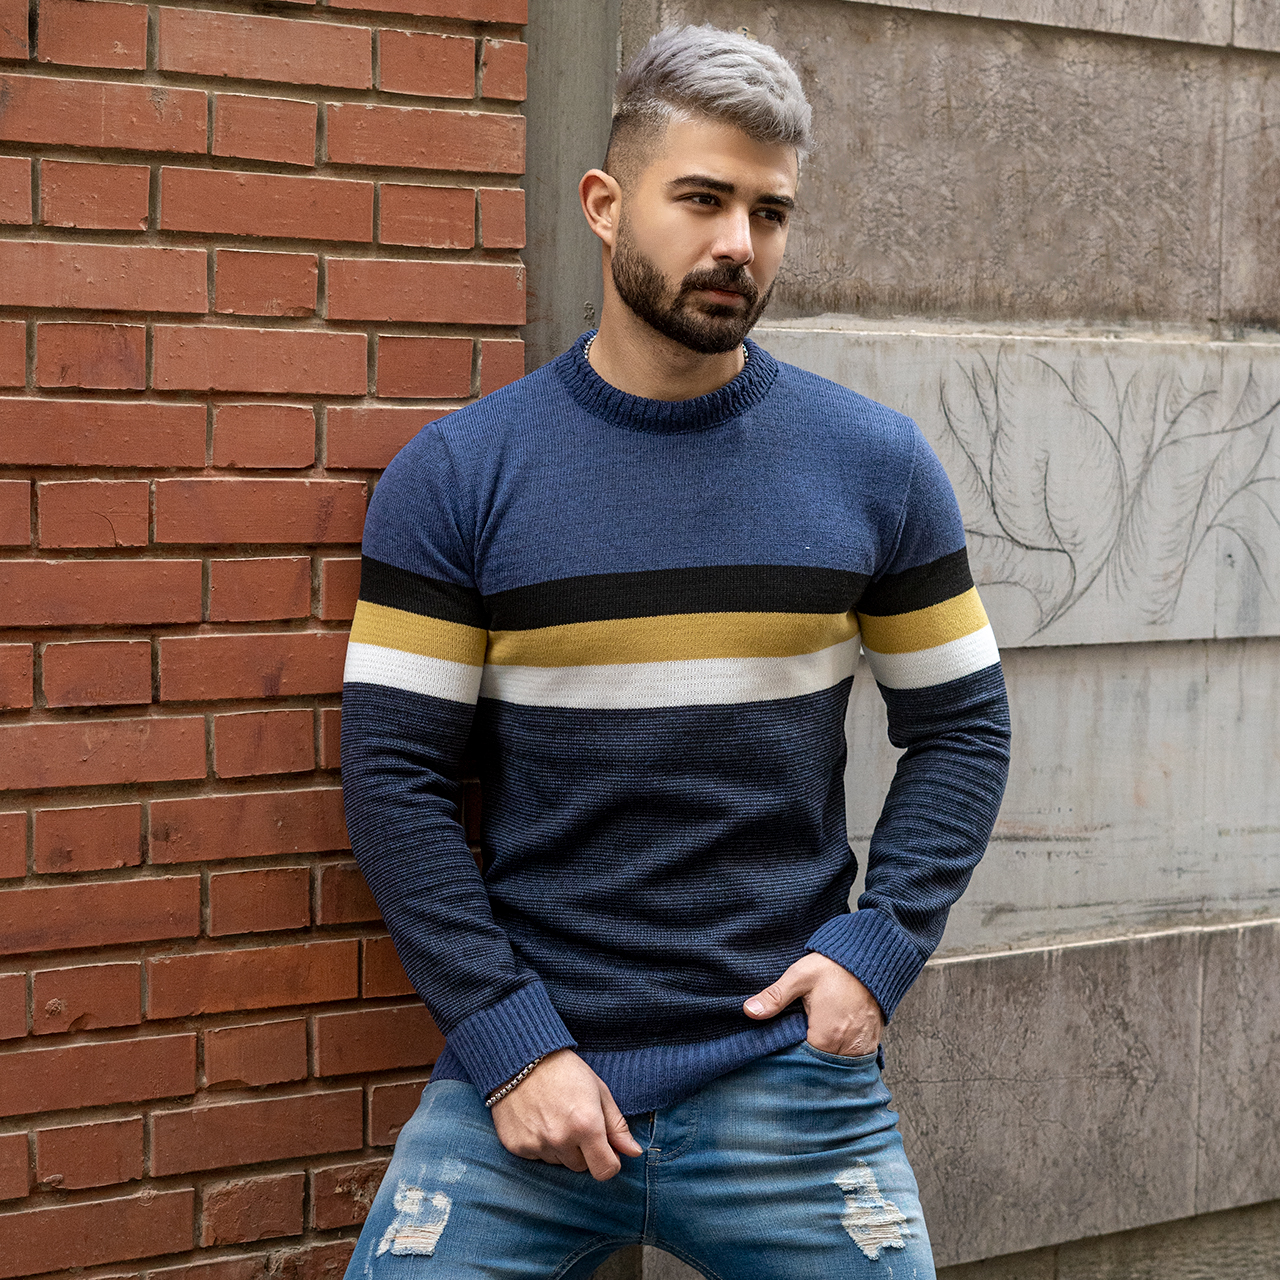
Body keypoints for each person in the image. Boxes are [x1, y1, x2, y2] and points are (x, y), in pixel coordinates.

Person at [340, 24, 1010, 1279]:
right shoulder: (458, 475)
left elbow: (961, 725)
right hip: (526, 1083)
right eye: (701, 199)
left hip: (786, 1082)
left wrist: (874, 954)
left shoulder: (873, 465)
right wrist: (508, 1043)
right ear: (604, 205)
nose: (736, 243)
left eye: (769, 211)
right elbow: (394, 777)